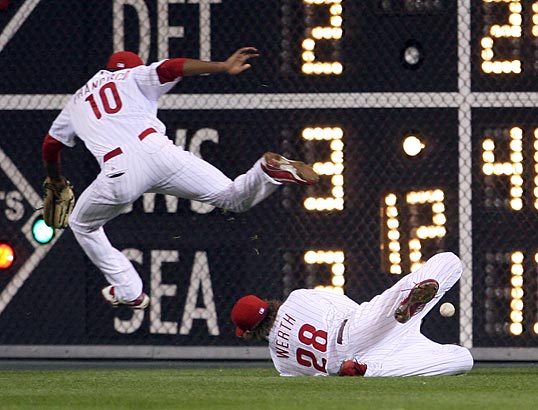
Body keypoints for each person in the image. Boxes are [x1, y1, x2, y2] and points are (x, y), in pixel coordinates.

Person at [42, 48, 319, 309]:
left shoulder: (77, 100)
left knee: (82, 223)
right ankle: (265, 171)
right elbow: (171, 67)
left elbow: (51, 145)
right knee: (233, 197)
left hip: (119, 169)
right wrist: (222, 66)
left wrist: (55, 180)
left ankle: (128, 290)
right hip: (161, 152)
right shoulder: (134, 75)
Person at [231, 252, 474, 377]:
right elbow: (347, 305)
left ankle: (369, 370)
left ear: (251, 332)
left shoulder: (281, 364)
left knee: (461, 360)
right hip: (356, 328)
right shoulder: (297, 299)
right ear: (267, 303)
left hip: (349, 362)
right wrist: (384, 321)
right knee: (449, 261)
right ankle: (409, 297)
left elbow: (317, 376)